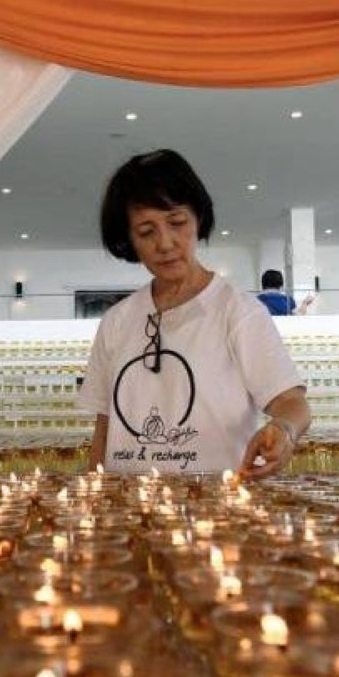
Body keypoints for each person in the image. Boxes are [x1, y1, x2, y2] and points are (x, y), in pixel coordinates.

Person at [78, 149, 310, 480]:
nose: (165, 243)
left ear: (198, 218)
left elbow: (292, 401)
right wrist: (96, 502)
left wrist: (284, 430)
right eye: (146, 231)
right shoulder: (117, 321)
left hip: (215, 515)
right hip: (129, 517)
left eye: (177, 223)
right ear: (129, 240)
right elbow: (104, 427)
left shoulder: (237, 312)